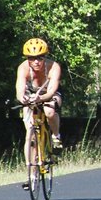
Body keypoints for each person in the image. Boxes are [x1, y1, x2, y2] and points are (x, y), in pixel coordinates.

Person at [15, 38, 63, 177]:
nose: (36, 61)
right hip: (31, 93)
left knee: (49, 111)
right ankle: (31, 172)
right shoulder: (23, 68)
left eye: (40, 58)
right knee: (31, 136)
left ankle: (56, 136)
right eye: (32, 58)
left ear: (45, 57)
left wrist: (40, 98)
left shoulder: (53, 67)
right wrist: (22, 98)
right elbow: (19, 88)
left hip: (49, 93)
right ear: (27, 59)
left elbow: (52, 90)